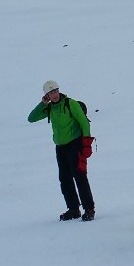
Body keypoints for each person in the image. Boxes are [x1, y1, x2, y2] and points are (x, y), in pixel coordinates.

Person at [27, 80, 95, 221]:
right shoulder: (50, 108)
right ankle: (73, 209)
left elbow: (84, 122)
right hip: (60, 148)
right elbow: (31, 118)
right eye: (51, 93)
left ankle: (89, 209)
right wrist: (42, 104)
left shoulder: (71, 104)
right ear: (47, 95)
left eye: (55, 91)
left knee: (80, 177)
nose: (55, 94)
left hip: (74, 145)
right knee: (64, 179)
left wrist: (86, 144)